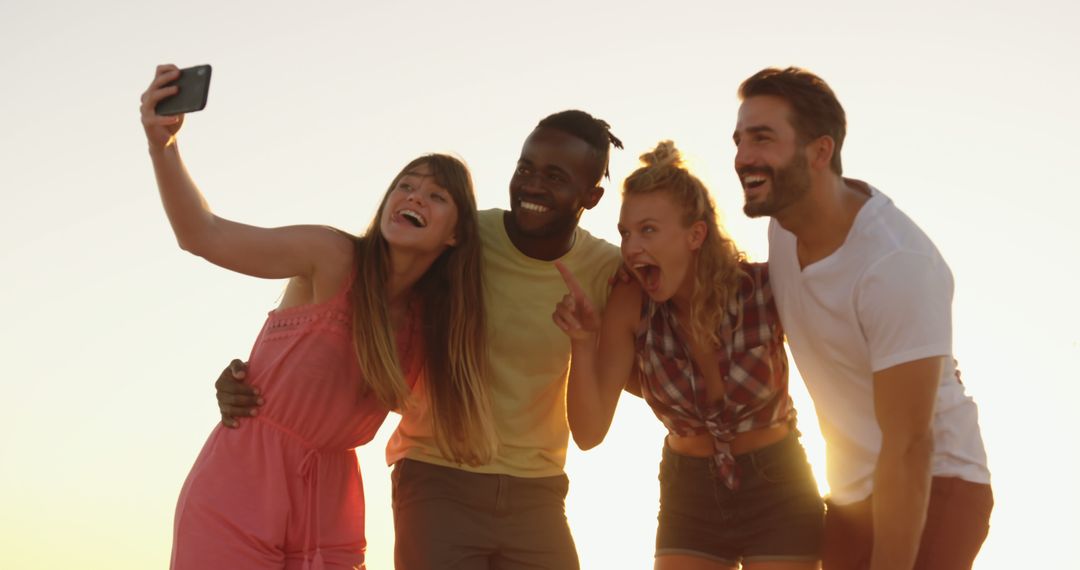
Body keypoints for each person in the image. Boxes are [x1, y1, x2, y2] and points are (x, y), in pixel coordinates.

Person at [215, 110, 626, 569]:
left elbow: (608, 407)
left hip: (540, 492)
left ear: (591, 196)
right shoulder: (462, 237)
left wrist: (586, 343)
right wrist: (261, 376)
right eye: (525, 168)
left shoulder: (608, 272)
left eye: (555, 176)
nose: (532, 185)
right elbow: (359, 297)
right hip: (436, 477)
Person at [141, 64, 497, 570]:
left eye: (436, 196)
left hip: (331, 502)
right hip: (241, 482)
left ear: (455, 234)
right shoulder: (331, 256)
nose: (414, 196)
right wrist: (163, 147)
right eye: (406, 185)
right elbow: (203, 235)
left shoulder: (431, 326)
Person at [731, 67, 992, 570]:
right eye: (740, 140)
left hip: (936, 479)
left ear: (820, 151)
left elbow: (910, 445)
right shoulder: (783, 229)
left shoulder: (895, 265)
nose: (744, 157)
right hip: (852, 489)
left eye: (763, 138)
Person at [552, 140, 824, 570]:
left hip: (779, 483)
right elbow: (588, 433)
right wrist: (583, 343)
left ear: (695, 234)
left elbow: (836, 351)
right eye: (625, 233)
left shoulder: (760, 290)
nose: (631, 246)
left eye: (648, 230)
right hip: (689, 491)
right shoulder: (631, 301)